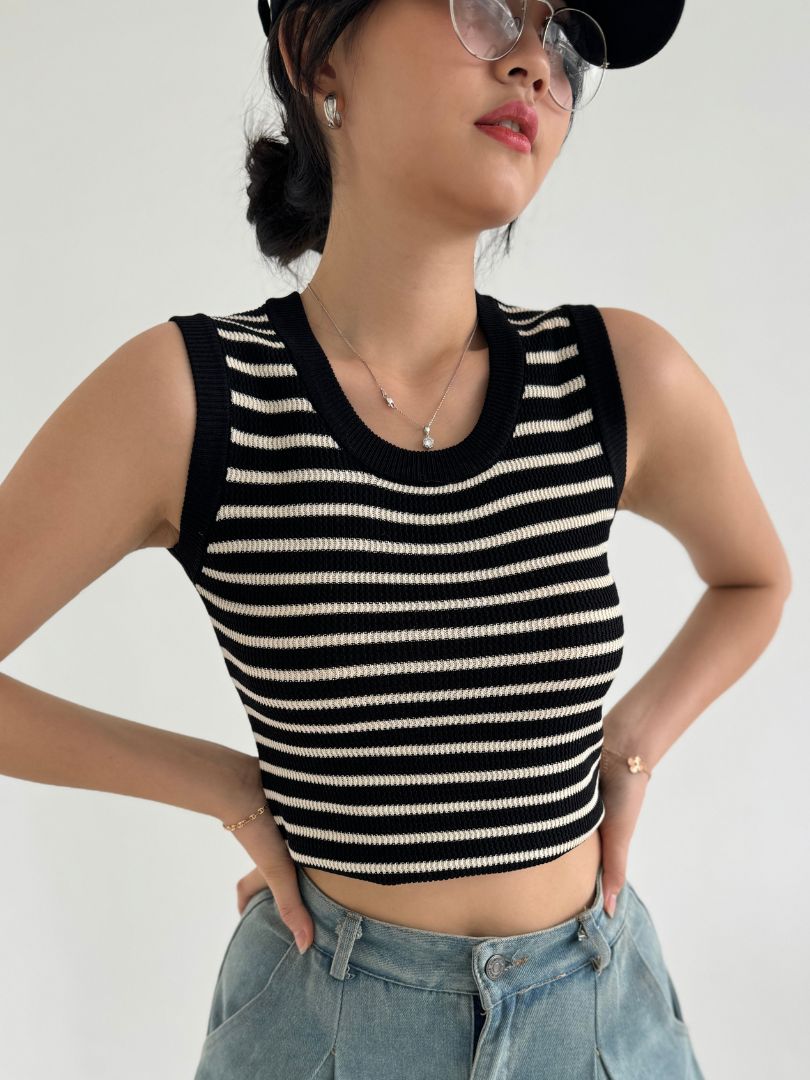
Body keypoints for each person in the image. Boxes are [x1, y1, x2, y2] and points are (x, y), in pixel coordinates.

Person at [0, 1, 792, 1078]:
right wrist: (232, 788)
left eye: (564, 41)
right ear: (318, 54)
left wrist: (636, 742)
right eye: (486, 9)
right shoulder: (196, 399)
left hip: (601, 1022)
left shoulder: (615, 377)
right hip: (327, 1027)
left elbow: (755, 578)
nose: (535, 62)